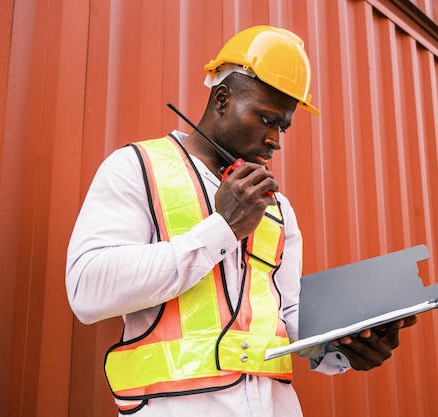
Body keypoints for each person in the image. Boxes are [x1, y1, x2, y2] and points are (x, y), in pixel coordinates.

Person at [66, 25, 416, 416]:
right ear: (222, 98)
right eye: (267, 119)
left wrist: (346, 344)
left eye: (282, 126)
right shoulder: (136, 168)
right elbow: (86, 291)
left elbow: (285, 315)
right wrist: (223, 228)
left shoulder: (276, 205)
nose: (276, 140)